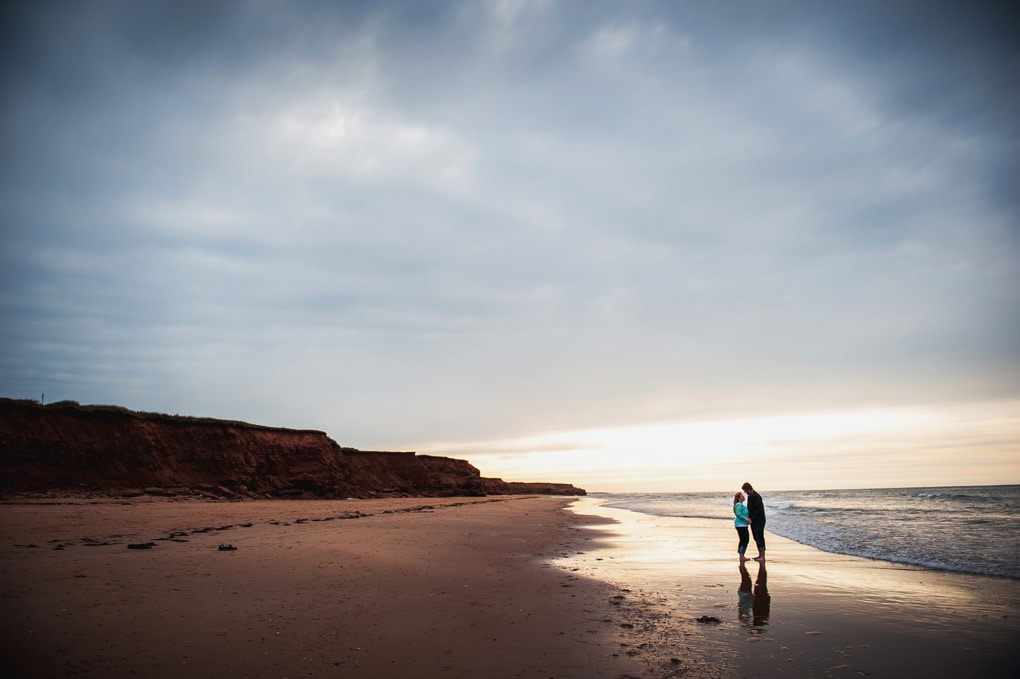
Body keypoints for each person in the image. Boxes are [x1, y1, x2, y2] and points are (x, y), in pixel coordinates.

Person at [742, 482, 766, 561]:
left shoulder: (756, 496)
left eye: (745, 491)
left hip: (759, 520)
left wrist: (751, 518)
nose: (745, 492)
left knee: (759, 537)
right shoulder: (750, 496)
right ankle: (760, 554)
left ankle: (762, 556)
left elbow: (758, 510)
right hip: (754, 520)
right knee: (756, 537)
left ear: (748, 489)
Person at [733, 491, 750, 561]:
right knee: (745, 540)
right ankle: (742, 555)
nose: (743, 497)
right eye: (742, 496)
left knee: (743, 540)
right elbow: (738, 514)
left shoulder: (740, 505)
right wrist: (746, 519)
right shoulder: (739, 505)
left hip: (742, 525)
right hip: (741, 525)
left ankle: (741, 555)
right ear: (739, 498)